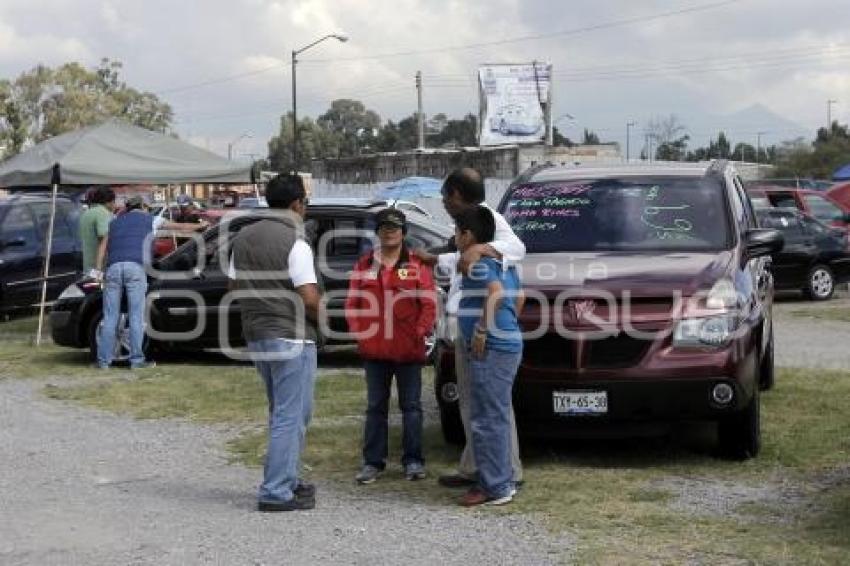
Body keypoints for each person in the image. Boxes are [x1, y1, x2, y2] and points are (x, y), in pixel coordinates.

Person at [414, 167, 526, 489]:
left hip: (486, 333)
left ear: (456, 196)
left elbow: (517, 249)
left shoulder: (487, 219)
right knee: (471, 404)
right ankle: (475, 466)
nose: (443, 204)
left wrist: (482, 248)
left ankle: (508, 472)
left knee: (493, 407)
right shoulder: (466, 229)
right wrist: (434, 259)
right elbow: (461, 261)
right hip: (468, 328)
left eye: (444, 197)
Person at [228, 174, 321, 513]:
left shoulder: (243, 237)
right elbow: (309, 296)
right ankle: (276, 490)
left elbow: (233, 286)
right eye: (305, 203)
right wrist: (326, 318)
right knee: (290, 414)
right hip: (291, 335)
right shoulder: (296, 241)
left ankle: (288, 478)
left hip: (257, 335)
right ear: (298, 203)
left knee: (286, 413)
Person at [344, 208, 437, 484]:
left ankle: (413, 461)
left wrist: (418, 333)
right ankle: (373, 462)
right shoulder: (364, 265)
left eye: (395, 227)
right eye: (384, 227)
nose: (389, 231)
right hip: (375, 351)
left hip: (408, 350)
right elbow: (353, 305)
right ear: (377, 232)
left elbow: (429, 304)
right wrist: (361, 335)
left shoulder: (417, 265)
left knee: (411, 407)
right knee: (375, 407)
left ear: (404, 232)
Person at [454, 205, 524, 506]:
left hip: (491, 347)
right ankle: (502, 478)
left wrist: (483, 330)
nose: (454, 237)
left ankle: (494, 485)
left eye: (456, 232)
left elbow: (495, 293)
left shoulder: (478, 261)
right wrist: (509, 326)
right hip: (505, 344)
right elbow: (518, 297)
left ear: (468, 235)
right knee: (494, 414)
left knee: (486, 418)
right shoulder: (503, 262)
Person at [95, 195, 206, 369]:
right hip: (135, 268)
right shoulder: (152, 220)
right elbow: (181, 227)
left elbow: (102, 247)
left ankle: (103, 362)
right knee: (136, 316)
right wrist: (201, 225)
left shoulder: (115, 222)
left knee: (110, 316)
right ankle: (137, 360)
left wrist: (98, 270)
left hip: (113, 268)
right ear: (144, 206)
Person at [79, 187, 116, 276]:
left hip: (87, 265)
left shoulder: (86, 213)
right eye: (114, 201)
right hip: (99, 268)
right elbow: (104, 238)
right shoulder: (102, 213)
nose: (114, 205)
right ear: (108, 202)